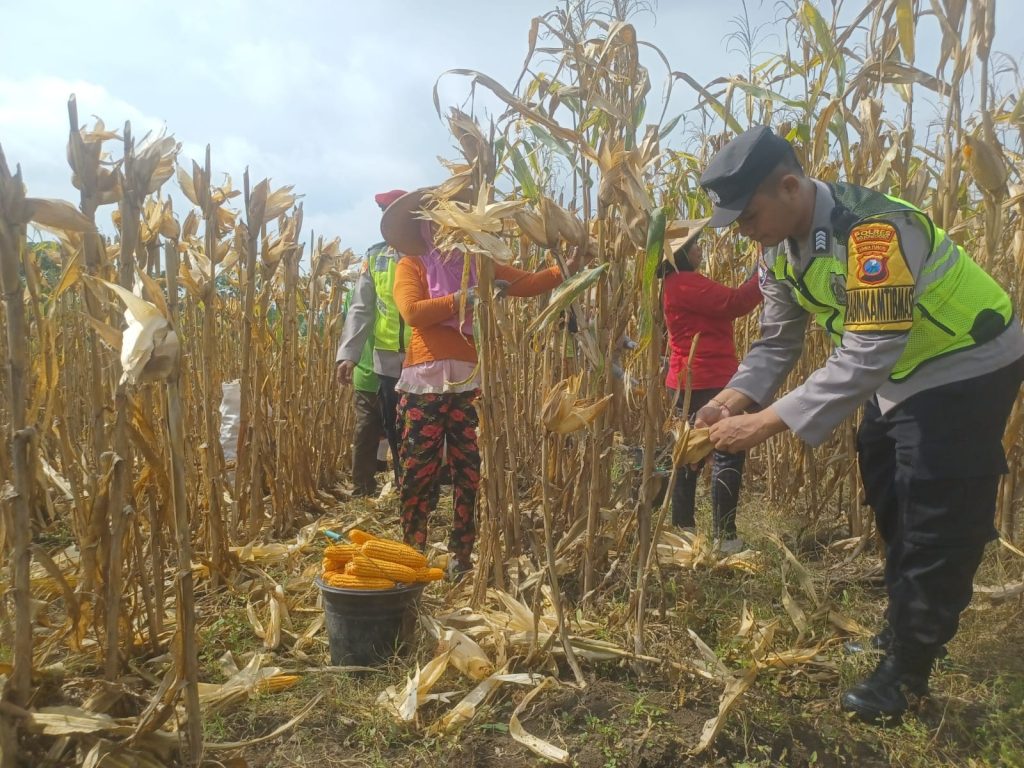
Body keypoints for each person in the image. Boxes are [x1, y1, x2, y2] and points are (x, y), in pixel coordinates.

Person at [693, 125, 1024, 723]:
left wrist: (765, 423)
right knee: (888, 493)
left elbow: (870, 348)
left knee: (932, 510)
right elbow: (775, 344)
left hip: (963, 362)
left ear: (790, 187)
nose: (744, 232)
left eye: (748, 216)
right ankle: (901, 627)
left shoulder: (872, 233)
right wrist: (729, 401)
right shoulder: (776, 254)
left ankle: (905, 672)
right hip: (898, 375)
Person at [382, 186, 580, 578]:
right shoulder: (412, 264)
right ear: (426, 226)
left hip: (470, 380)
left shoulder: (477, 262)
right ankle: (413, 550)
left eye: (451, 219)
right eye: (437, 221)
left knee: (469, 469)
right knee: (418, 468)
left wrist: (564, 269)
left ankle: (462, 553)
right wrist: (465, 299)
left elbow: (524, 284)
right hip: (425, 381)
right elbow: (413, 313)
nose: (444, 228)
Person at [659, 229, 762, 553]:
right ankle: (724, 536)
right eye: (695, 246)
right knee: (727, 451)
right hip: (710, 380)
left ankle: (684, 528)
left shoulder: (673, 285)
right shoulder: (685, 283)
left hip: (685, 380)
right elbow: (736, 301)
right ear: (683, 255)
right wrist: (766, 269)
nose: (701, 250)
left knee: (688, 454)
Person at [336, 190, 411, 488]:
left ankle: (414, 489)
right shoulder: (375, 256)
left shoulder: (429, 253)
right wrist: (349, 354)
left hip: (424, 359)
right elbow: (360, 308)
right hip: (386, 360)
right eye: (385, 214)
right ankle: (381, 489)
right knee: (388, 427)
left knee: (416, 428)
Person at [338, 274, 386, 496]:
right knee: (365, 432)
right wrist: (348, 357)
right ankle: (362, 488)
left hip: (398, 372)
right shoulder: (354, 298)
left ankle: (405, 487)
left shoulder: (402, 284)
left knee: (400, 433)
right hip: (366, 372)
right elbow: (352, 326)